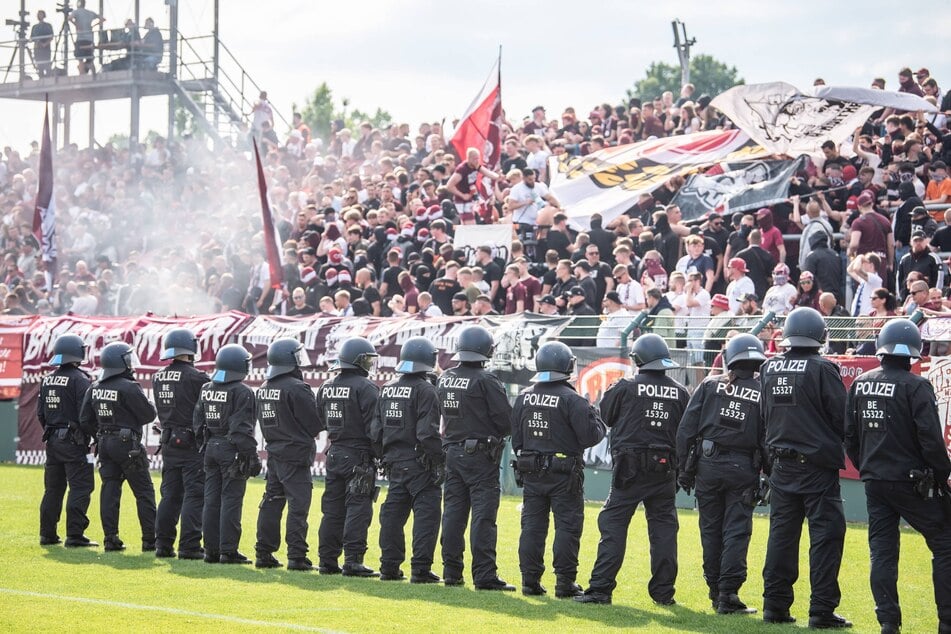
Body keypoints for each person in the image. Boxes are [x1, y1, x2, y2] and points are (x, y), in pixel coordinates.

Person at [845, 319, 951, 634]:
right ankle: (946, 622)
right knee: (945, 544)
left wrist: (868, 466)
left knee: (882, 552)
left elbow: (850, 437)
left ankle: (888, 623)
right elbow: (930, 439)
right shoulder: (917, 385)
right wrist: (942, 475)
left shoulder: (861, 383)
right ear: (913, 354)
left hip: (875, 481)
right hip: (912, 482)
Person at [577, 334, 689, 605]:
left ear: (638, 359)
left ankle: (601, 590)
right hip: (664, 470)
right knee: (663, 530)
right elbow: (685, 430)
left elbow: (606, 416)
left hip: (629, 470)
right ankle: (664, 594)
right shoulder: (680, 391)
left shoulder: (625, 387)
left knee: (613, 525)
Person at [759, 307, 851, 628]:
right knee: (826, 536)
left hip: (781, 466)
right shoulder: (824, 369)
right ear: (820, 336)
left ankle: (774, 606)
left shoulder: (769, 369)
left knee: (782, 536)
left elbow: (764, 416)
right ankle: (821, 611)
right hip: (817, 468)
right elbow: (843, 419)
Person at [676, 334, 767, 614]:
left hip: (707, 466)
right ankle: (728, 594)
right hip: (743, 469)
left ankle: (715, 590)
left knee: (710, 530)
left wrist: (684, 469)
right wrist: (769, 476)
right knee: (736, 532)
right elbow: (768, 438)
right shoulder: (764, 391)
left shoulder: (709, 384)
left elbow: (685, 431)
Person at [511, 342, 606, 598]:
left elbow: (516, 439)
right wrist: (595, 414)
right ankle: (565, 584)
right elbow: (591, 437)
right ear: (567, 366)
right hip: (564, 474)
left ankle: (529, 581)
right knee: (567, 527)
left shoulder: (524, 396)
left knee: (532, 526)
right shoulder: (572, 399)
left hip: (531, 472)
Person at [437, 325, 514, 590]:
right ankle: (484, 576)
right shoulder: (486, 380)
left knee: (453, 515)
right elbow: (505, 421)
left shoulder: (445, 377)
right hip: (480, 457)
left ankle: (451, 572)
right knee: (483, 517)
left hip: (452, 452)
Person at [374, 337, 443, 583]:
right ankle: (421, 569)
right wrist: (439, 459)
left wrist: (385, 456)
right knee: (427, 515)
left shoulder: (388, 388)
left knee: (393, 514)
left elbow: (377, 430)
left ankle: (389, 567)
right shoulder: (426, 390)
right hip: (419, 462)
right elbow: (428, 433)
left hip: (394, 461)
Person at [79, 341, 157, 552]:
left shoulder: (95, 387)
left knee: (110, 490)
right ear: (121, 363)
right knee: (144, 492)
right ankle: (150, 540)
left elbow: (84, 419)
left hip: (104, 444)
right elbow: (149, 414)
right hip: (127, 445)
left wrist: (101, 432)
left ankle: (110, 539)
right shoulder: (129, 387)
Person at [316, 337, 381, 577]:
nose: (369, 364)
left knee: (332, 509)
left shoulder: (326, 385)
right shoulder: (367, 387)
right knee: (358, 508)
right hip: (359, 456)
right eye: (366, 359)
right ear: (357, 360)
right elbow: (374, 429)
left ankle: (327, 560)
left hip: (334, 453)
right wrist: (380, 454)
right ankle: (353, 561)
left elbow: (320, 419)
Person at [254, 338, 321, 571]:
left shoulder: (264, 388)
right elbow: (314, 424)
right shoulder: (297, 388)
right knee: (298, 506)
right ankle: (297, 556)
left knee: (271, 502)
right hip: (295, 454)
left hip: (274, 452)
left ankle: (263, 552)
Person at [193, 344, 257, 564]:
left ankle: (210, 550)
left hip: (211, 446)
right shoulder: (242, 391)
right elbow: (242, 429)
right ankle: (228, 551)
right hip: (231, 449)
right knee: (231, 500)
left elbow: (198, 422)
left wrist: (207, 445)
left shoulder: (207, 388)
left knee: (211, 500)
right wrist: (251, 456)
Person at [153, 328, 209, 560]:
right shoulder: (198, 378)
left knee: (170, 495)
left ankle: (163, 545)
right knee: (194, 495)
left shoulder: (158, 376)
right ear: (191, 348)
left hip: (168, 442)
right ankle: (189, 546)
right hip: (191, 443)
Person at [38, 334, 96, 548]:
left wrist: (54, 431)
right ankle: (75, 535)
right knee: (81, 487)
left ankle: (47, 534)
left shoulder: (47, 379)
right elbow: (85, 415)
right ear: (78, 353)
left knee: (53, 489)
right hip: (74, 442)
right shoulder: (80, 380)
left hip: (52, 441)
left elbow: (40, 414)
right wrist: (91, 435)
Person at [69, 0, 104, 75]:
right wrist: (93, 26)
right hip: (89, 38)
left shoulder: (76, 11)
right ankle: (94, 76)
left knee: (80, 59)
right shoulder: (90, 12)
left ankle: (81, 76)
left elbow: (69, 18)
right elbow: (102, 19)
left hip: (81, 38)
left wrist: (76, 25)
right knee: (90, 59)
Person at [30, 10, 54, 78]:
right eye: (38, 14)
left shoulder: (48, 25)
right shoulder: (34, 27)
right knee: (39, 65)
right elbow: (32, 37)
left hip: (46, 48)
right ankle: (41, 78)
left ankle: (48, 78)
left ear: (44, 15)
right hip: (37, 48)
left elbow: (51, 36)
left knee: (47, 64)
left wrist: (45, 44)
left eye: (40, 14)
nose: (39, 16)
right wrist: (38, 42)